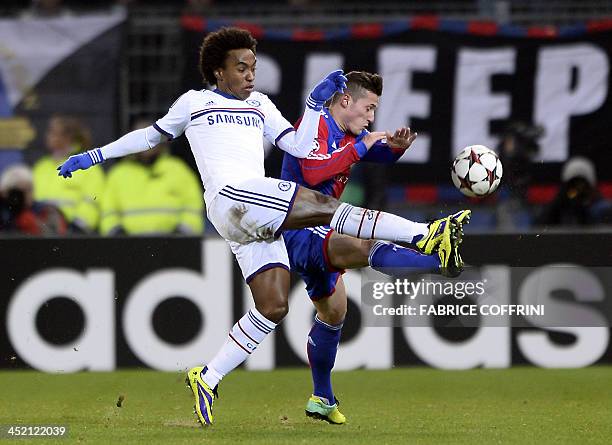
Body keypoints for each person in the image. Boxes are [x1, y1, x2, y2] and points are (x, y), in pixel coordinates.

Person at [57, 27, 469, 427]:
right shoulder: (194, 103)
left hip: (248, 217)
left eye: (253, 66)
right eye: (241, 67)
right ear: (219, 71)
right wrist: (93, 155)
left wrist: (311, 105)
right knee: (327, 208)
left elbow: (303, 149)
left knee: (273, 306)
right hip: (233, 196)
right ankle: (422, 234)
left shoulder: (262, 106)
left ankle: (208, 377)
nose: (250, 74)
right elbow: (149, 137)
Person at [280, 70, 470, 424]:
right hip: (299, 227)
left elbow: (372, 154)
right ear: (346, 101)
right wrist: (361, 147)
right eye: (368, 109)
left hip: (321, 226)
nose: (371, 118)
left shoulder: (350, 134)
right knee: (364, 242)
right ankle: (435, 258)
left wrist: (395, 150)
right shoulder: (316, 125)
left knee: (334, 313)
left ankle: (321, 397)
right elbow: (314, 170)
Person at [100, 118, 204, 236]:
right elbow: (108, 211)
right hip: (128, 247)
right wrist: (117, 234)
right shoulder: (118, 174)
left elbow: (193, 206)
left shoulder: (178, 170)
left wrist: (182, 233)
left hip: (174, 245)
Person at [34, 115, 104, 233]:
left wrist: (78, 227)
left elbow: (93, 202)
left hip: (73, 234)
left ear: (67, 137)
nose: (47, 136)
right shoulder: (41, 167)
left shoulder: (88, 167)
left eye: (52, 132)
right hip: (41, 233)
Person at [0, 164, 67, 235]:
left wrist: (31, 223)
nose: (24, 196)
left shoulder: (46, 211)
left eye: (28, 190)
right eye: (17, 192)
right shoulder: (3, 212)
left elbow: (56, 239)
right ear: (5, 193)